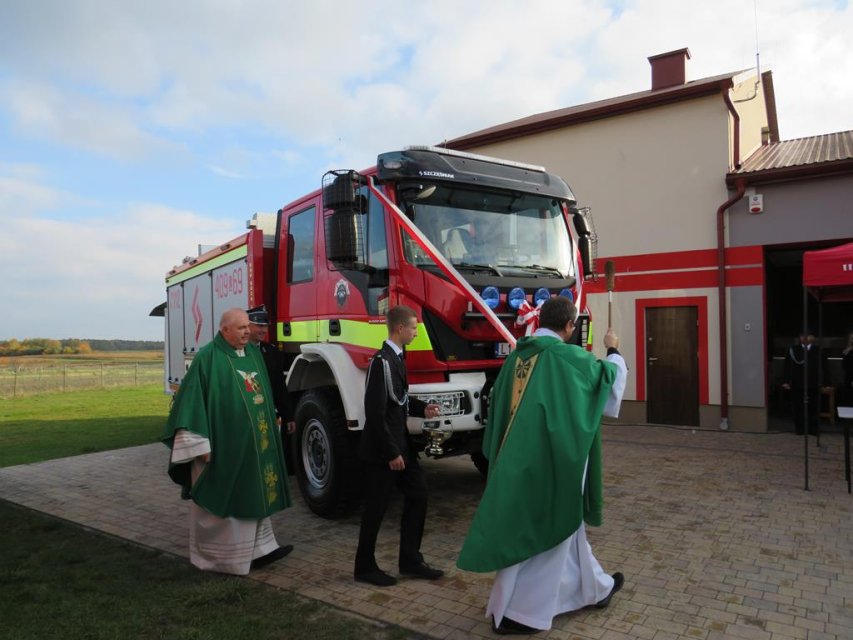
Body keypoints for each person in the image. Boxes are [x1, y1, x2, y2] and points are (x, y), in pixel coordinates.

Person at [457, 296, 628, 635]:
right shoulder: (568, 358)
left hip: (516, 460)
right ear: (569, 325)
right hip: (552, 462)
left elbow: (498, 405)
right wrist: (613, 350)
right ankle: (522, 615)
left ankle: (596, 589)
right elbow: (607, 388)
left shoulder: (517, 356)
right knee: (548, 533)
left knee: (558, 532)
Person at [162, 307, 293, 575]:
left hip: (255, 446)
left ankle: (261, 550)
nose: (248, 332)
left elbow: (263, 394)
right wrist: (198, 444)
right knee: (227, 502)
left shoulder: (253, 353)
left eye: (248, 327)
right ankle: (223, 559)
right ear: (225, 330)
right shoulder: (208, 358)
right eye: (242, 328)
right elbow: (191, 404)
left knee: (255, 496)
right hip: (223, 448)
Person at [354, 305, 443, 587]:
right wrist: (391, 452)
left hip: (401, 446)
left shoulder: (397, 358)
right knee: (376, 509)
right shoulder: (381, 362)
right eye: (414, 328)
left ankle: (410, 560)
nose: (416, 332)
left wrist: (422, 407)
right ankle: (364, 567)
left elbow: (399, 399)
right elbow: (375, 412)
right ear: (400, 328)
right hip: (383, 451)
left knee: (419, 494)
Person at [247, 305, 296, 475]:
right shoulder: (237, 352)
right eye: (258, 325)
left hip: (267, 414)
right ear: (247, 326)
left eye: (265, 326)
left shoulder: (271, 352)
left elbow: (279, 387)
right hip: (247, 415)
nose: (263, 330)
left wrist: (288, 416)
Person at [782, 331, 831, 435]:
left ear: (813, 337)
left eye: (807, 335)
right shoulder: (793, 350)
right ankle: (800, 429)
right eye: (802, 335)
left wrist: (827, 384)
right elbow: (787, 366)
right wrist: (786, 381)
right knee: (798, 407)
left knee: (814, 406)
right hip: (797, 382)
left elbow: (825, 367)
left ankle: (813, 429)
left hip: (814, 383)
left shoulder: (819, 350)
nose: (804, 338)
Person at [842, 331, 853, 407]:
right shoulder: (846, 351)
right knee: (849, 396)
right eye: (852, 338)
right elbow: (844, 366)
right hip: (849, 377)